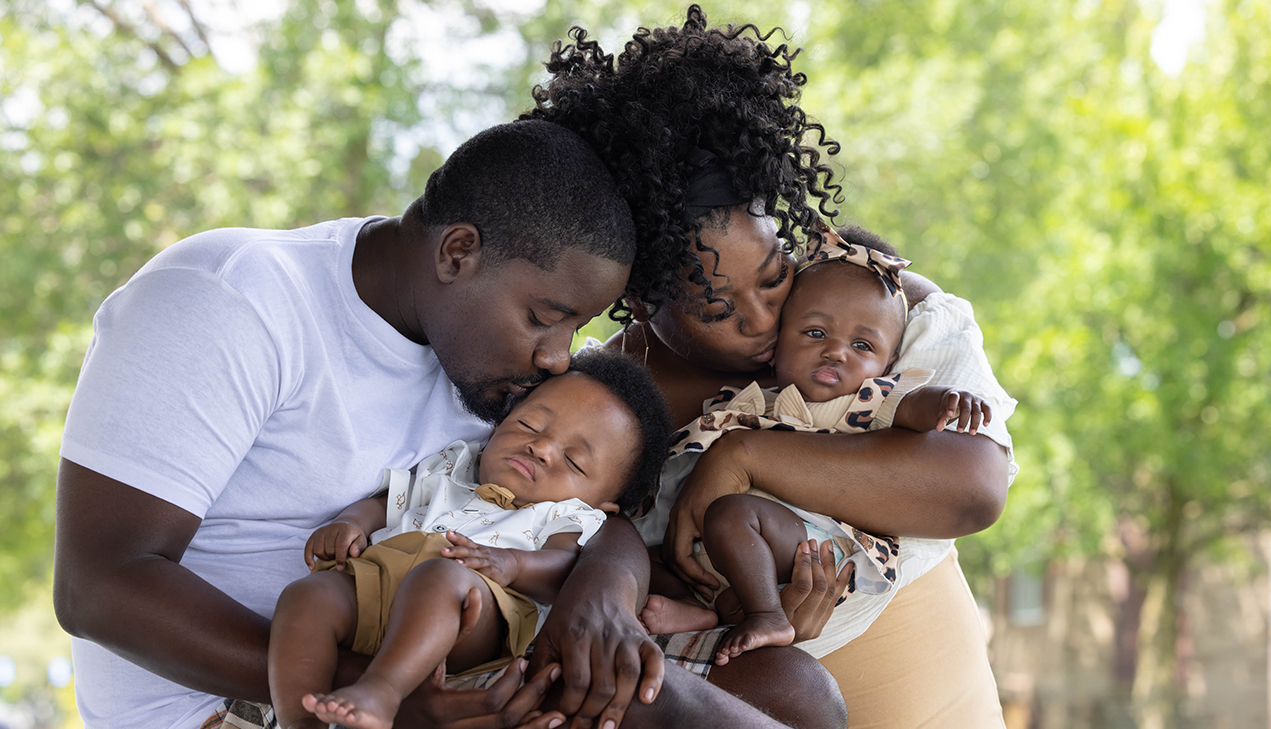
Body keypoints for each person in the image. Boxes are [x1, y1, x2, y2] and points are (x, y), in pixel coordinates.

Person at [52, 119, 642, 729]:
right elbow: (97, 589)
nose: (558, 355)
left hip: (429, 674)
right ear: (458, 252)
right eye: (546, 318)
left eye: (575, 330)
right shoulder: (231, 297)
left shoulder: (512, 370)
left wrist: (605, 588)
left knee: (634, 686)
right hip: (225, 703)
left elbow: (605, 504)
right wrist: (384, 691)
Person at [525, 7, 1018, 728]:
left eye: (775, 274)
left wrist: (747, 454)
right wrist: (744, 603)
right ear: (639, 297)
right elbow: (603, 556)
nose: (763, 320)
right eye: (719, 308)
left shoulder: (864, 301)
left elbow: (971, 487)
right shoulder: (605, 401)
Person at [638, 222, 995, 666]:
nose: (837, 352)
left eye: (862, 346)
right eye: (814, 334)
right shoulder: (754, 400)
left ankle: (767, 614)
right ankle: (703, 612)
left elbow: (908, 408)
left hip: (810, 538)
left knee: (733, 513)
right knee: (642, 553)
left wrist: (946, 401)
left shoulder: (864, 400)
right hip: (728, 549)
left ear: (887, 362)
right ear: (780, 344)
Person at [269, 351, 672, 729]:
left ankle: (382, 692)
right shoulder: (455, 463)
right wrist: (351, 521)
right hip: (374, 587)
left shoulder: (568, 515)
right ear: (499, 425)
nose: (543, 447)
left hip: (473, 617)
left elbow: (563, 570)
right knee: (307, 594)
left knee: (443, 578)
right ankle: (301, 718)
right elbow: (389, 500)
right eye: (529, 425)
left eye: (574, 461)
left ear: (604, 503)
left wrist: (513, 564)